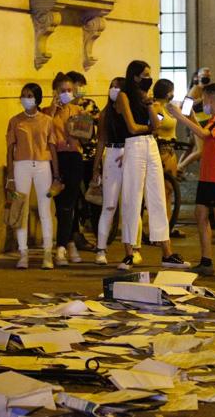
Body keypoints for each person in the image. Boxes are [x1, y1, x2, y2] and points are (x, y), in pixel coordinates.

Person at [115, 60, 190, 270]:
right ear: (135, 76)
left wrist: (149, 107)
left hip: (151, 145)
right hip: (134, 145)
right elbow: (131, 127)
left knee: (157, 197)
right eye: (145, 74)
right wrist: (146, 127)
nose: (149, 77)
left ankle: (167, 251)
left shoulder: (146, 99)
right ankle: (129, 251)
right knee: (132, 197)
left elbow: (156, 126)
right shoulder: (124, 96)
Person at [168, 83, 215, 278]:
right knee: (200, 215)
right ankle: (206, 261)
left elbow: (204, 134)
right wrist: (189, 114)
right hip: (207, 175)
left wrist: (180, 117)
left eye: (205, 98)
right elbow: (202, 132)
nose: (203, 102)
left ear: (212, 97)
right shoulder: (214, 118)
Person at [5, 83, 60, 270]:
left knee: (45, 210)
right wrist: (10, 176)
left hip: (43, 165)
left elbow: (52, 146)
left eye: (29, 95)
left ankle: (47, 253)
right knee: (22, 209)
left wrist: (57, 174)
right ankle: (23, 253)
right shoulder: (15, 121)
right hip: (21, 165)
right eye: (23, 95)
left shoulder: (47, 120)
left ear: (37, 98)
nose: (25, 98)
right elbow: (10, 149)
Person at [91, 77, 141, 265]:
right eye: (111, 86)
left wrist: (129, 151)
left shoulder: (132, 112)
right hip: (112, 154)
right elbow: (102, 140)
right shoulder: (106, 114)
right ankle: (101, 249)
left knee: (132, 203)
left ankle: (134, 247)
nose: (113, 90)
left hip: (130, 152)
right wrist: (96, 167)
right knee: (109, 204)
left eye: (117, 87)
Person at [41, 73, 85, 266]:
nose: (67, 94)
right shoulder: (47, 112)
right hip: (55, 158)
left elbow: (85, 135)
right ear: (55, 92)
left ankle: (63, 246)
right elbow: (43, 133)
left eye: (69, 90)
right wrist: (52, 110)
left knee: (69, 203)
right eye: (62, 91)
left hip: (74, 157)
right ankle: (66, 244)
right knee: (59, 203)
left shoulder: (77, 109)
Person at [152, 79, 185, 238]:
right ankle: (160, 227)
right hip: (161, 151)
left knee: (169, 191)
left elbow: (185, 116)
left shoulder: (167, 108)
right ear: (167, 92)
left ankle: (168, 224)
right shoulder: (157, 109)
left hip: (170, 152)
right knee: (162, 191)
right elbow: (154, 126)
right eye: (172, 91)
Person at [178, 67, 212, 173]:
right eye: (204, 76)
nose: (206, 77)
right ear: (198, 77)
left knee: (190, 148)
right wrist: (201, 100)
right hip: (196, 123)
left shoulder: (207, 90)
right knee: (200, 151)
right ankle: (180, 167)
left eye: (208, 75)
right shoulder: (195, 89)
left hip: (205, 122)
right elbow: (185, 109)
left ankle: (179, 168)